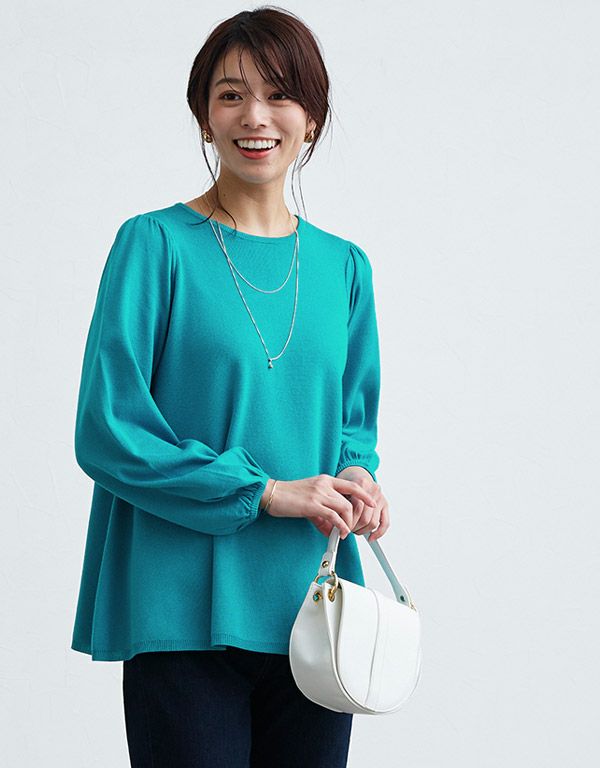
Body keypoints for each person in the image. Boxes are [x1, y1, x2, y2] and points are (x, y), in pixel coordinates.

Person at [70, 6, 390, 767]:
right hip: (181, 605)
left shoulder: (345, 267)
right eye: (231, 95)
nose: (256, 117)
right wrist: (266, 491)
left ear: (312, 119)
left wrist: (356, 478)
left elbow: (353, 423)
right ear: (204, 117)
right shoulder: (153, 245)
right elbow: (109, 431)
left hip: (314, 609)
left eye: (280, 95)